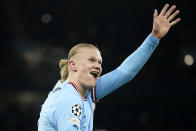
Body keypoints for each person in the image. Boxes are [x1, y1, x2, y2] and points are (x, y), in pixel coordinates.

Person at [38, 3, 181, 131]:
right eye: (92, 60)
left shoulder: (83, 92)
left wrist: (154, 37)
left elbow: (124, 72)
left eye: (100, 63)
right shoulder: (69, 99)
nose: (98, 66)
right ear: (73, 65)